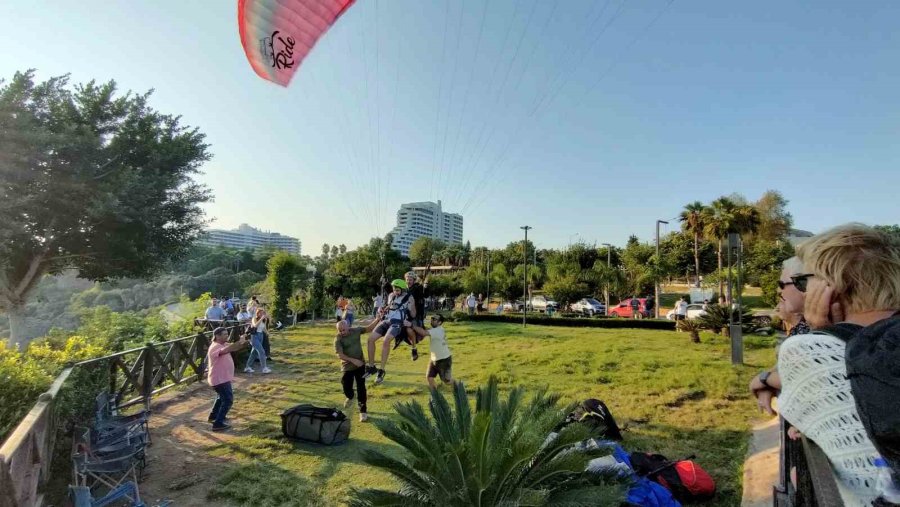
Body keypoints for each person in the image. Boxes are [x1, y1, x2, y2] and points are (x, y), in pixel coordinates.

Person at [776, 224, 900, 505]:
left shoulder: (808, 350)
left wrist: (818, 331)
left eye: (803, 281)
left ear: (828, 286)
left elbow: (792, 416)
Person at [748, 257, 810, 416]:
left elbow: (809, 380)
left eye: (782, 284)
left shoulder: (818, 331)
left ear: (805, 283)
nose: (779, 291)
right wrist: (768, 382)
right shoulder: (807, 326)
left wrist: (764, 380)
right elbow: (786, 367)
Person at [364, 279, 416, 385]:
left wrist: (411, 310)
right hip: (387, 320)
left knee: (386, 341)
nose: (395, 291)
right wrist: (381, 309)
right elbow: (389, 306)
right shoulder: (391, 296)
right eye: (393, 289)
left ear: (402, 289)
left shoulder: (409, 297)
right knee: (370, 339)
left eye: (397, 290)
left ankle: (381, 371)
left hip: (398, 323)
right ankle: (371, 366)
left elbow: (414, 314)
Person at [334, 318, 382, 422]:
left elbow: (369, 328)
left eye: (343, 330)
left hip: (360, 365)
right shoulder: (338, 339)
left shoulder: (356, 331)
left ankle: (363, 412)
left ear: (348, 327)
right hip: (347, 366)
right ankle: (350, 396)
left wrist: (378, 318)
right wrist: (353, 360)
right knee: (345, 383)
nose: (342, 332)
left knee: (361, 387)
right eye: (340, 330)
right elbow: (340, 355)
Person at [206, 327, 248, 431]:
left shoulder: (222, 344)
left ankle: (214, 416)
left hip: (221, 378)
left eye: (227, 334)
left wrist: (243, 341)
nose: (227, 336)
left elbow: (235, 347)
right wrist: (240, 341)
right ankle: (218, 424)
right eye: (224, 334)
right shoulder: (215, 347)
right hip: (219, 379)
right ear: (217, 336)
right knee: (228, 400)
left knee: (221, 398)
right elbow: (228, 349)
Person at [422, 314, 453, 388]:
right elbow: (425, 330)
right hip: (434, 359)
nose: (432, 320)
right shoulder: (434, 330)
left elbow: (423, 333)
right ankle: (435, 396)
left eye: (434, 319)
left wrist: (411, 325)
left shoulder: (438, 330)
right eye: (432, 318)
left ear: (440, 322)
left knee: (446, 381)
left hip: (443, 359)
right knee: (429, 378)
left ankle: (459, 387)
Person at [244, 308, 271, 374]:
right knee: (261, 351)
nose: (262, 314)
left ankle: (247, 367)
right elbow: (255, 326)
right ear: (257, 313)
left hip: (260, 335)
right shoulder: (254, 319)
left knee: (254, 352)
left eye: (263, 313)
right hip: (254, 336)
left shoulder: (263, 320)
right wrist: (261, 318)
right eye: (260, 313)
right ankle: (264, 368)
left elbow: (263, 328)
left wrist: (267, 333)